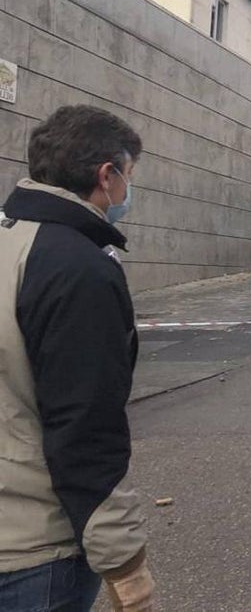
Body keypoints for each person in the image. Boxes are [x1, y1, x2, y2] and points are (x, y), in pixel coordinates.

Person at [0, 105, 155, 612]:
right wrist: (127, 570)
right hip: (34, 551)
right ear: (106, 176)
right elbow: (84, 429)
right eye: (128, 176)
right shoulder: (77, 268)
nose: (129, 192)